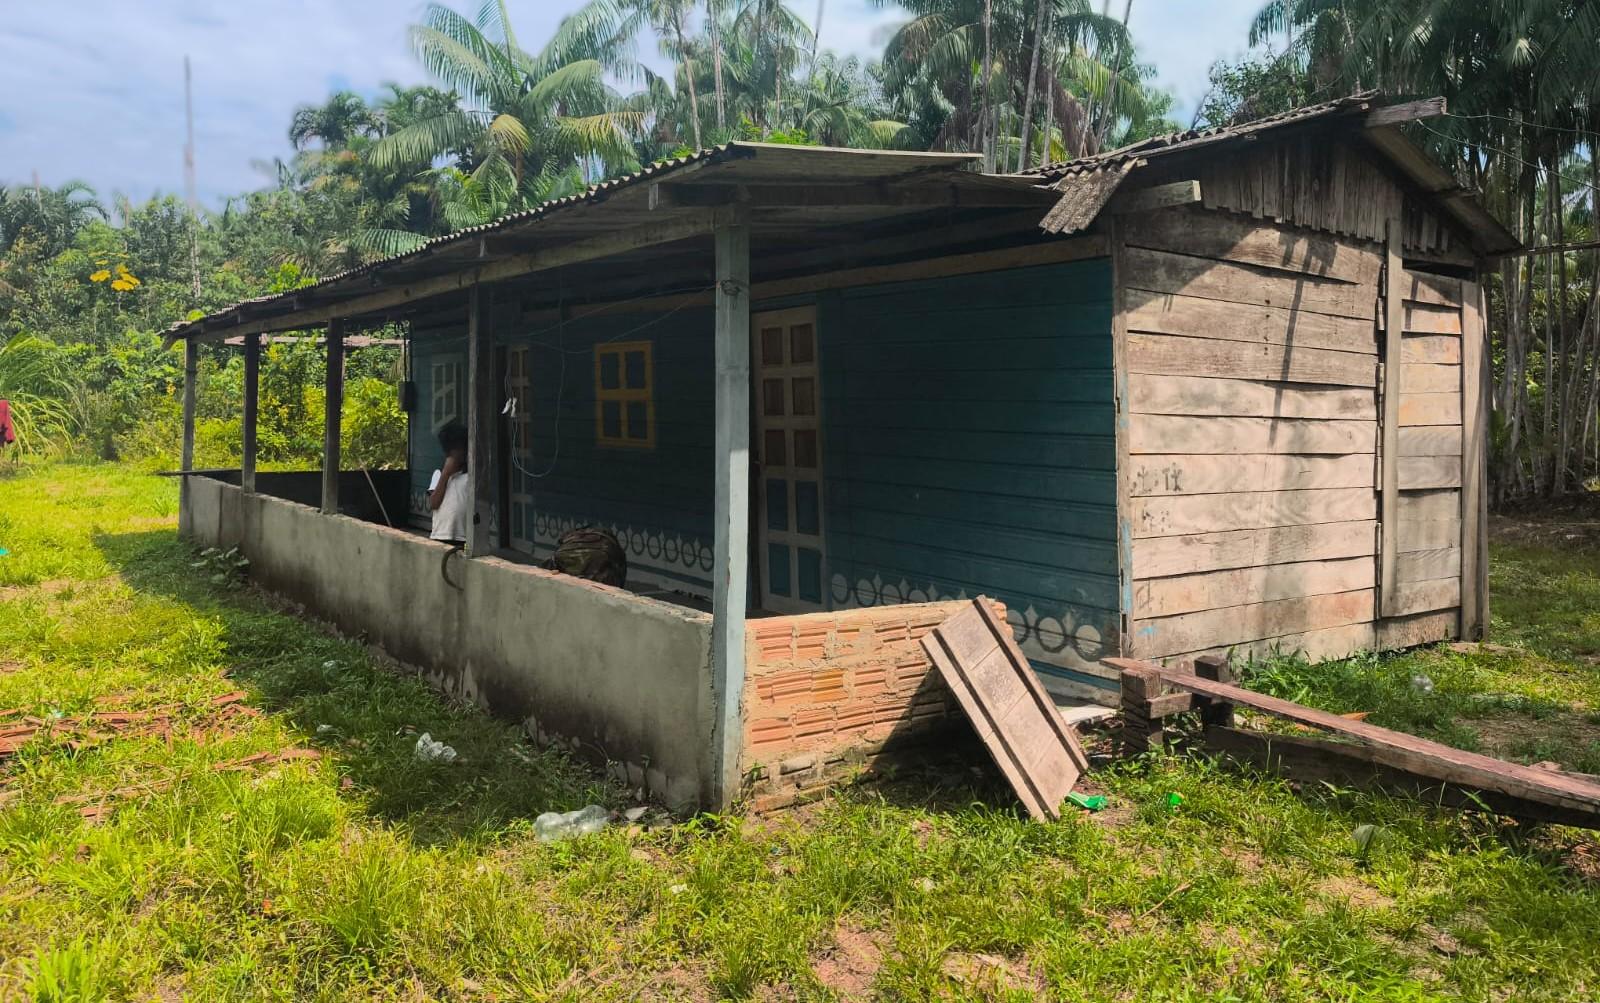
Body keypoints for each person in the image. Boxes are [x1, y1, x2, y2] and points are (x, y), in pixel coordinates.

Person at [428, 423, 469, 544]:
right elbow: (434, 503)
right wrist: (445, 474)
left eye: (461, 449)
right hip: (440, 534)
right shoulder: (438, 474)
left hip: (463, 537)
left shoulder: (469, 476)